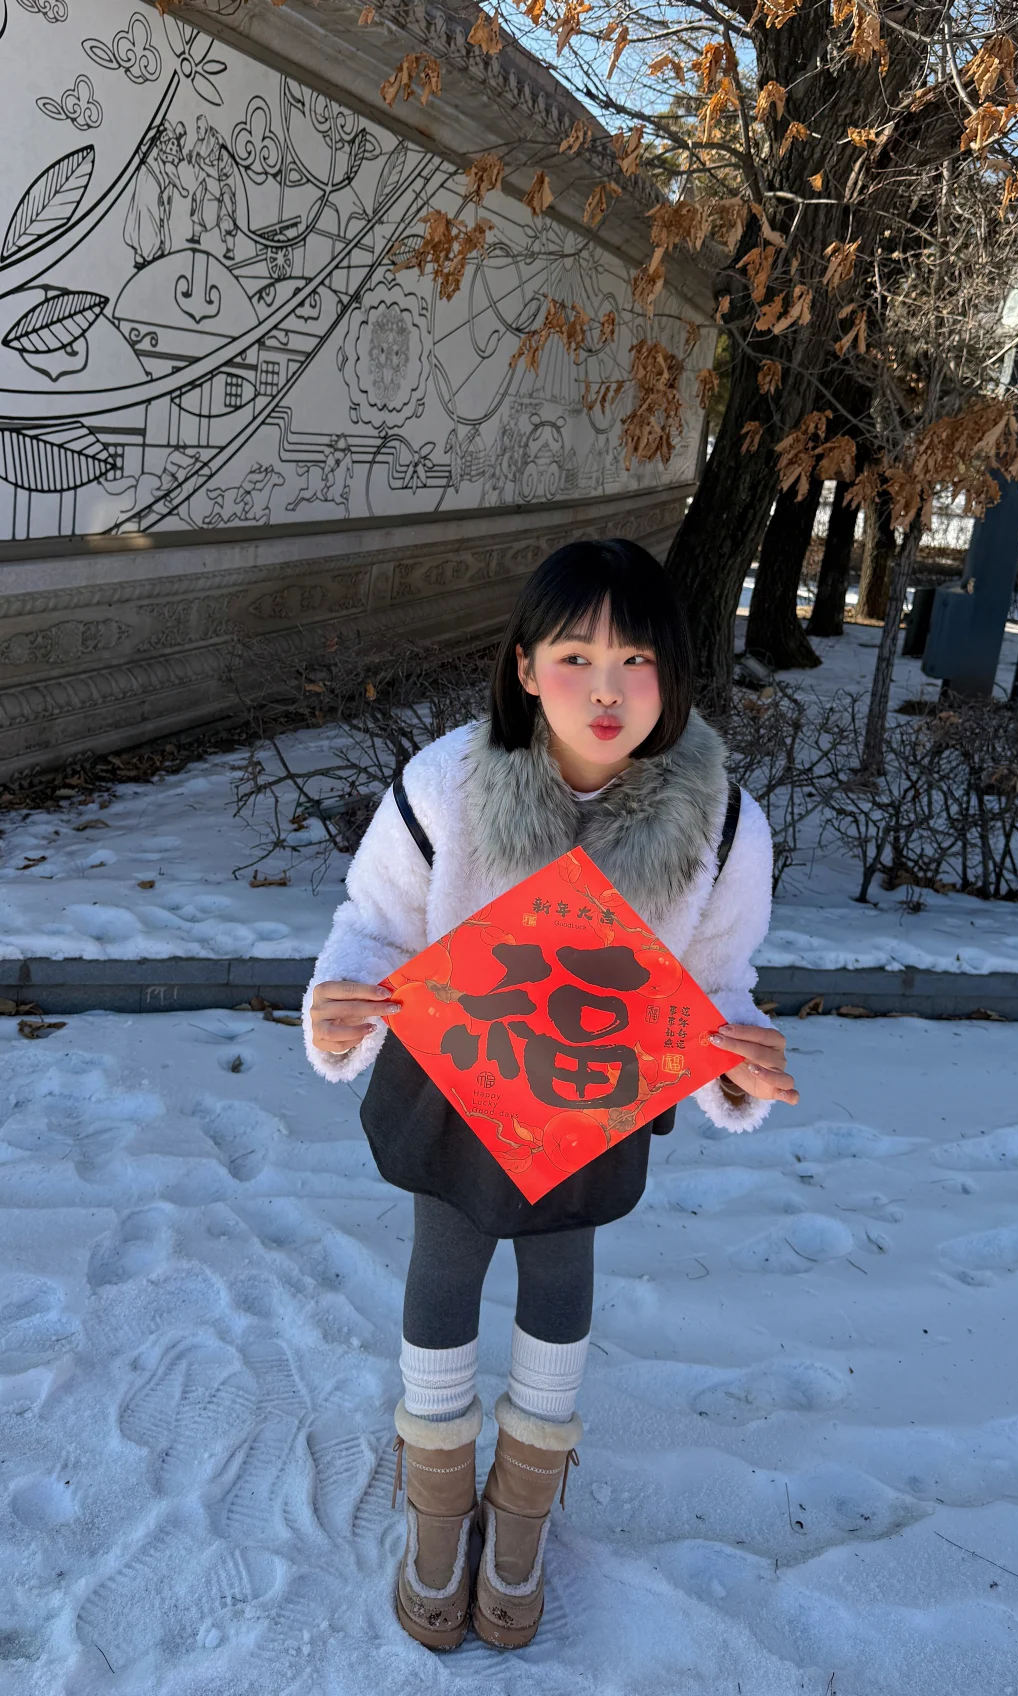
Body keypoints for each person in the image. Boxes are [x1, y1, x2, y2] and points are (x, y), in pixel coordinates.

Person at [302, 538, 798, 1653]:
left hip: (593, 1094)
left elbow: (716, 982)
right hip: (454, 1082)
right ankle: (439, 1515)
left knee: (563, 1272)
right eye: (576, 657)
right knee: (444, 1266)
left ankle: (520, 1516)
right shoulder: (448, 785)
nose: (606, 689)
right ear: (526, 668)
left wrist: (736, 1056)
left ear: (674, 672)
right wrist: (338, 1002)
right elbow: (373, 927)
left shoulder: (722, 825)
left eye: (636, 659)